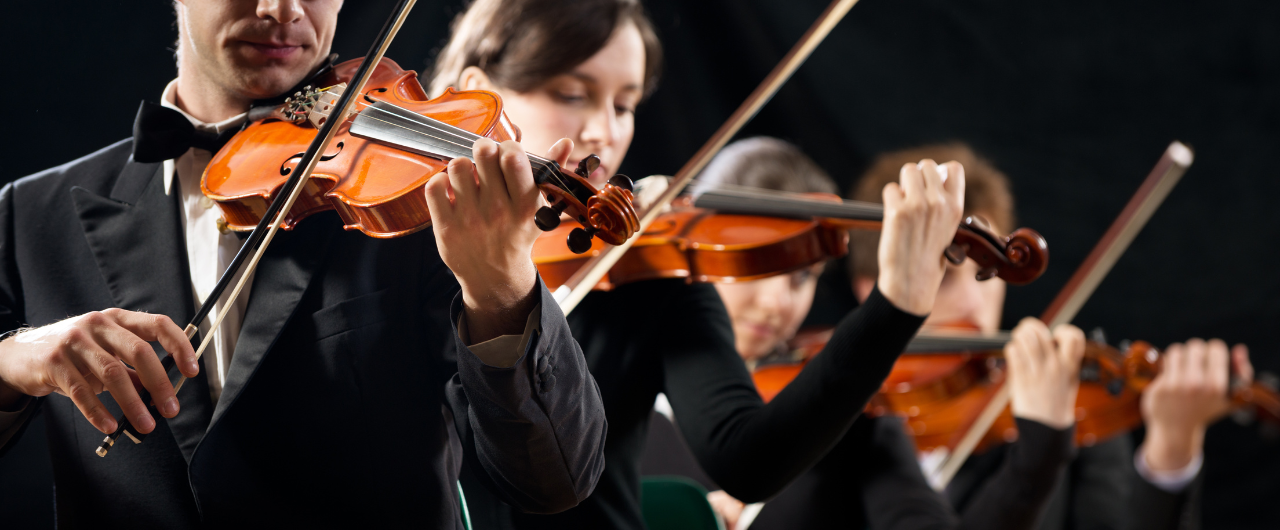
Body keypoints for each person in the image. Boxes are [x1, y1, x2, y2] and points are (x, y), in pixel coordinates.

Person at [0, 0, 609, 527]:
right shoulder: (32, 212)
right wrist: (13, 357)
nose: (282, 10)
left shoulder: (425, 199)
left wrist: (502, 288)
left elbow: (553, 480)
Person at [427, 1, 966, 528]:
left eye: (624, 105)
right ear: (479, 92)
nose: (604, 133)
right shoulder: (385, 237)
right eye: (572, 94)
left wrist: (895, 305)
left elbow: (747, 459)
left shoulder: (652, 277)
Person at [644, 136, 1083, 530]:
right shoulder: (617, 394)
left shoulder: (857, 416)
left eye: (804, 277)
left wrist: (1037, 458)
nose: (779, 303)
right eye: (757, 267)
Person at [846, 143, 1254, 530]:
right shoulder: (836, 418)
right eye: (946, 274)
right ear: (872, 287)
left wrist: (1171, 450)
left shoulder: (1068, 403)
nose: (974, 302)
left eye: (987, 273)